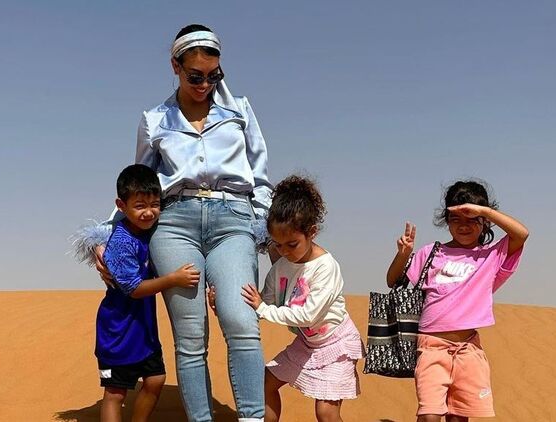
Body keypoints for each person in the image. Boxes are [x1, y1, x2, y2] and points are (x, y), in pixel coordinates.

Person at [91, 24, 272, 422]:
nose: (205, 84)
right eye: (195, 76)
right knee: (191, 337)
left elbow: (259, 174)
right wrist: (106, 235)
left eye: (214, 75)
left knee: (241, 319)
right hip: (174, 223)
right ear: (175, 66)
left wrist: (267, 226)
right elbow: (140, 180)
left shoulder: (239, 110)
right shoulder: (154, 120)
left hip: (233, 218)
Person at [213, 175, 364, 422]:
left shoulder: (325, 267)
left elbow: (307, 315)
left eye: (292, 244)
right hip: (307, 344)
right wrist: (225, 303)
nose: (283, 251)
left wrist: (262, 308)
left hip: (336, 345)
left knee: (326, 412)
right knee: (266, 383)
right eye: (278, 245)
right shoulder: (281, 266)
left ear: (312, 232)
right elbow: (263, 302)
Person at [385, 180, 529, 421]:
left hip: (468, 351)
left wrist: (483, 210)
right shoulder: (431, 252)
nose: (464, 226)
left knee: (459, 417)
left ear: (484, 222)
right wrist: (403, 255)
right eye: (456, 219)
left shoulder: (491, 255)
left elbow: (522, 233)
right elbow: (392, 280)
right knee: (428, 416)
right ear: (446, 220)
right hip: (431, 348)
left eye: (471, 219)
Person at [92, 164, 200, 422]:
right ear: (121, 205)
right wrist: (173, 279)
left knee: (155, 379)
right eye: (140, 206)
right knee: (115, 392)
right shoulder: (120, 242)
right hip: (117, 332)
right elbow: (134, 289)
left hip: (143, 330)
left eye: (155, 204)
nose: (149, 212)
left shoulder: (149, 233)